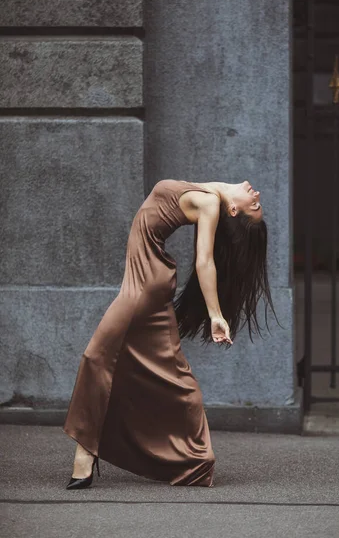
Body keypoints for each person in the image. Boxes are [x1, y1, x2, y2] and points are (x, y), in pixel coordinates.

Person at [63, 179, 275, 489]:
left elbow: (205, 261)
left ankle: (85, 454)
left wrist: (216, 314)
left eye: (254, 206)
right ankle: (197, 459)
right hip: (150, 278)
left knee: (96, 357)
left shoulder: (210, 204)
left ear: (233, 210)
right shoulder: (212, 193)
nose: (256, 194)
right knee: (168, 367)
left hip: (144, 285)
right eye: (256, 203)